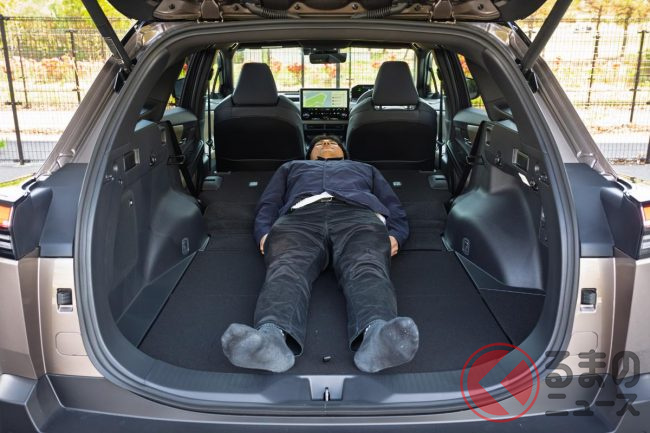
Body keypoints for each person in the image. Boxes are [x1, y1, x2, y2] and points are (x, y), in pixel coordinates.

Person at [221, 135, 419, 373]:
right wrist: (263, 232)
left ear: (344, 153)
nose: (326, 145)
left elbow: (392, 203)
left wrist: (397, 234)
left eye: (332, 143)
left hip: (358, 216)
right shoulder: (292, 167)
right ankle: (271, 340)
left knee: (366, 266)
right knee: (286, 268)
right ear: (309, 154)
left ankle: (377, 337)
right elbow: (269, 202)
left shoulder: (365, 168)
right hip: (299, 217)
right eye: (319, 144)